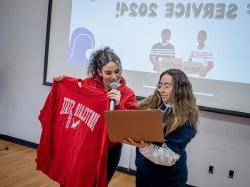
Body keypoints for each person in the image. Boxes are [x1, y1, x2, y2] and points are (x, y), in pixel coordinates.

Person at [37, 47, 137, 187]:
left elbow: (129, 128)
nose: (114, 77)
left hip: (109, 150)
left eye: (117, 71)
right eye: (108, 72)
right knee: (71, 180)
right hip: (83, 146)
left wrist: (119, 105)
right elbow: (75, 93)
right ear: (99, 72)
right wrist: (62, 82)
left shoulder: (127, 94)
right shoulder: (88, 85)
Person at [123, 69, 199, 187]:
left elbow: (169, 157)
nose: (162, 90)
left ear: (180, 89)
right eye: (160, 85)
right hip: (144, 172)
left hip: (167, 180)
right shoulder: (154, 103)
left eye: (167, 86)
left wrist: (144, 146)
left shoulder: (186, 118)